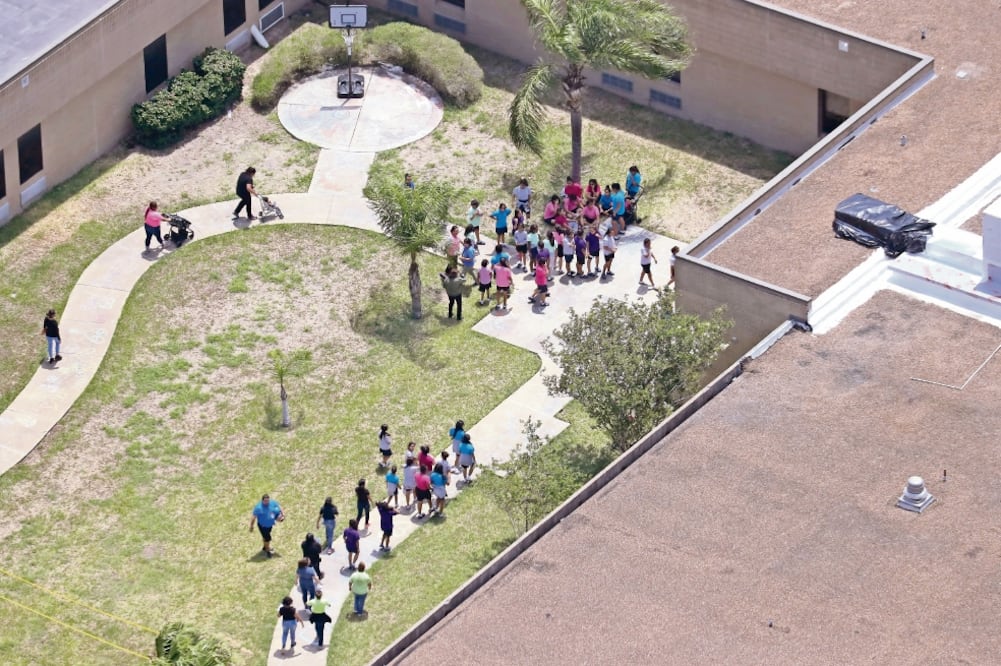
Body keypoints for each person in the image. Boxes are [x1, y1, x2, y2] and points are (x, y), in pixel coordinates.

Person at [249, 493, 284, 558]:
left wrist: (283, 514)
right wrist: (251, 526)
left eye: (268, 500)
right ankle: (267, 550)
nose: (267, 502)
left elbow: (279, 506)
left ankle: (265, 547)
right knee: (268, 538)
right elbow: (253, 517)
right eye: (265, 501)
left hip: (270, 525)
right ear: (262, 500)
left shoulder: (272, 503)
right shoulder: (258, 508)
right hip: (263, 526)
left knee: (265, 538)